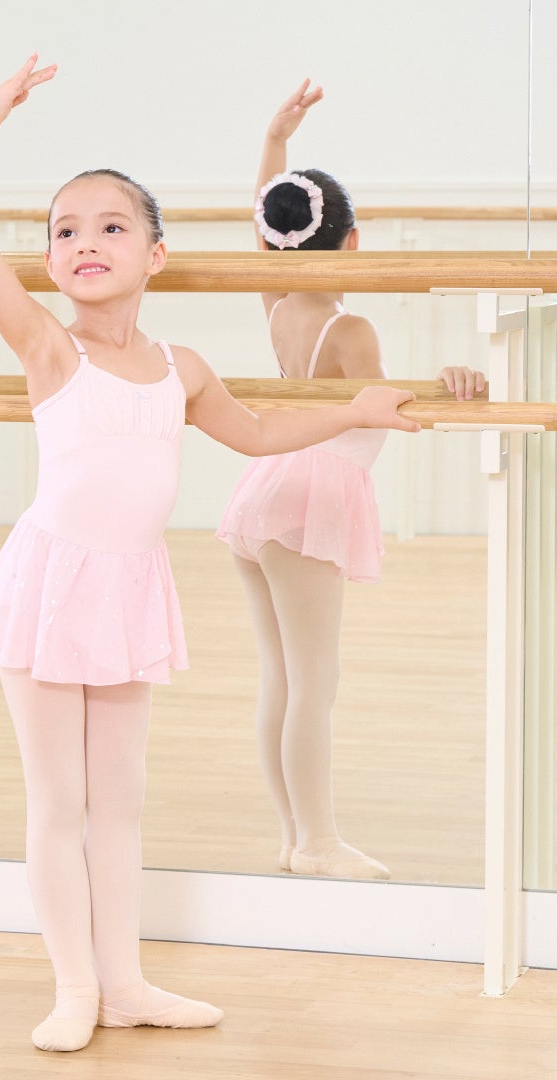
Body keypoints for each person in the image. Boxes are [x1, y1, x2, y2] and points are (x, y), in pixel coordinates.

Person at [0, 58, 422, 1053]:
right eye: (65, 231)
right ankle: (73, 985)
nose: (85, 242)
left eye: (110, 226)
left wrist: (356, 408)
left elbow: (258, 435)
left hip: (128, 588)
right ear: (49, 262)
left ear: (156, 255)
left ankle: (125, 982)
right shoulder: (50, 350)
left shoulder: (182, 369)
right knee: (59, 801)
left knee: (121, 800)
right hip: (51, 584)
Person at [216, 81, 487, 880]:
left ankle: (293, 836)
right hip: (308, 502)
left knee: (281, 678)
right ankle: (317, 842)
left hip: (262, 493)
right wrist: (452, 382)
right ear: (354, 241)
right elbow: (382, 409)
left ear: (272, 241)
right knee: (314, 684)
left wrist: (273, 140)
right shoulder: (349, 327)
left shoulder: (275, 305)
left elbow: (259, 225)